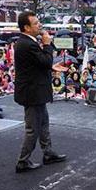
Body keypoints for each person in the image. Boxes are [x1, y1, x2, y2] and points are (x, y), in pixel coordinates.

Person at [14, 11, 66, 173]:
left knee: (43, 124)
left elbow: (36, 64)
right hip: (32, 92)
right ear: (26, 27)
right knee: (33, 129)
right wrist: (47, 44)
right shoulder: (27, 44)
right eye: (36, 23)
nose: (40, 25)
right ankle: (23, 161)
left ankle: (48, 153)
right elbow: (44, 60)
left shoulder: (26, 42)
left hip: (36, 91)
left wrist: (50, 66)